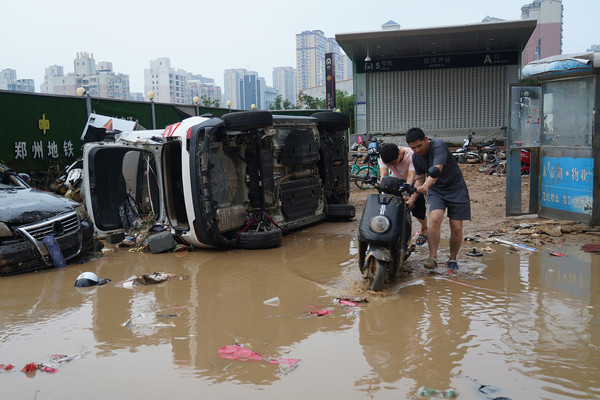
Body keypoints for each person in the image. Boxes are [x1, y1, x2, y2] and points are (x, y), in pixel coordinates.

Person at [405, 127, 471, 270]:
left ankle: (452, 259)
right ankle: (432, 258)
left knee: (456, 226)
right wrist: (412, 198)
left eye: (419, 146)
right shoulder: (415, 157)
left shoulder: (438, 146)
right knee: (435, 218)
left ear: (426, 139)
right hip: (436, 190)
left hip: (456, 188)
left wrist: (426, 186)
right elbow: (419, 180)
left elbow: (437, 170)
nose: (417, 150)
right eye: (413, 148)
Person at [378, 143, 428, 246]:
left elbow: (410, 176)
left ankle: (424, 229)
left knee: (418, 211)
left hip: (413, 184)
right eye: (389, 164)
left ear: (399, 153)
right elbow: (384, 176)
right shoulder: (385, 157)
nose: (392, 165)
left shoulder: (411, 155)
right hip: (395, 182)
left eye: (393, 162)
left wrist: (407, 194)